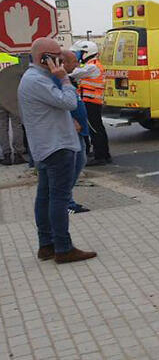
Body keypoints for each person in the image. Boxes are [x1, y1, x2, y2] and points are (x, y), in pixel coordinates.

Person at [18, 38, 97, 264]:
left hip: (46, 145)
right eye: (56, 55)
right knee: (59, 198)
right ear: (43, 57)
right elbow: (69, 102)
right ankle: (63, 247)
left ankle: (47, 245)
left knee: (45, 196)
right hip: (56, 146)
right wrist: (64, 79)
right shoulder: (38, 81)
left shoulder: (36, 78)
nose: (60, 59)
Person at [71, 40, 111, 166]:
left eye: (80, 53)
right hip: (92, 101)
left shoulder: (92, 66)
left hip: (91, 102)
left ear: (87, 53)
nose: (78, 55)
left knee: (95, 129)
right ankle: (103, 153)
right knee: (97, 128)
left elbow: (73, 74)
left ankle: (101, 156)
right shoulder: (92, 65)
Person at [61, 50, 90, 214]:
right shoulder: (59, 80)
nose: (77, 65)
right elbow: (61, 103)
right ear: (64, 63)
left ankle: (67, 199)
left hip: (79, 129)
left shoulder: (67, 79)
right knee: (74, 163)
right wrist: (71, 120)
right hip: (71, 130)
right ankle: (66, 201)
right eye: (74, 62)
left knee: (79, 162)